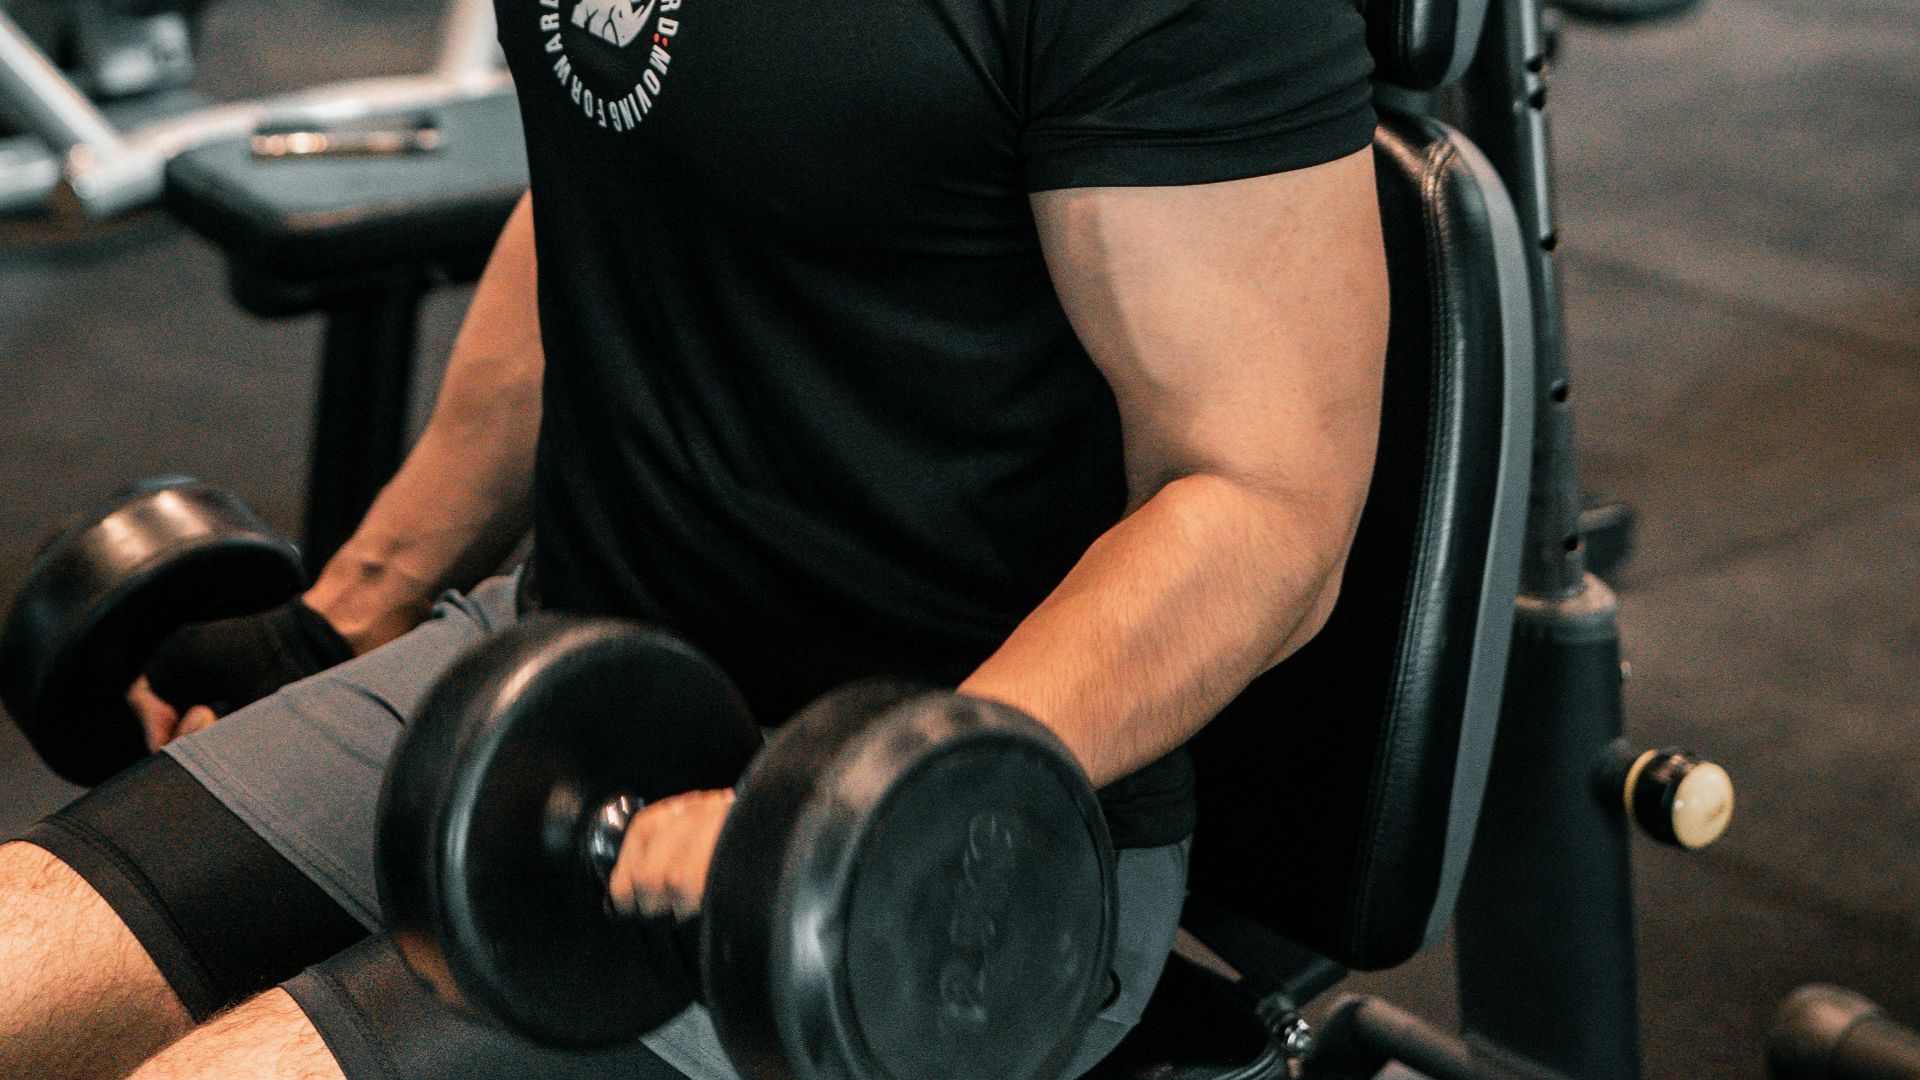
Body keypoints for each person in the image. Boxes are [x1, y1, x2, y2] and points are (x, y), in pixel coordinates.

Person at [0, 0, 1388, 1074]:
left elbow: (1266, 505)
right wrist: (348, 606)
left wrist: (855, 809)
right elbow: (609, 181)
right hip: (556, 678)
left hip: (956, 850)